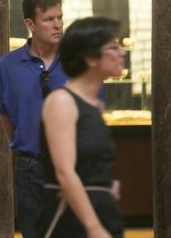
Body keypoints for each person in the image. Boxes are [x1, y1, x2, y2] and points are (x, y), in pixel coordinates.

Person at [37, 17, 125, 238]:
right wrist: (93, 227)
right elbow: (65, 172)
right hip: (73, 218)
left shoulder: (95, 104)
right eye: (113, 47)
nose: (121, 53)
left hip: (101, 210)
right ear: (90, 57)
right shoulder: (62, 101)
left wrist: (104, 188)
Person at [0, 0, 67, 238]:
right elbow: (3, 113)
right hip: (30, 166)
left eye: (59, 18)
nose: (57, 25)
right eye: (48, 19)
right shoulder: (8, 66)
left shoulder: (77, 62)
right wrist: (21, 142)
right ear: (30, 23)